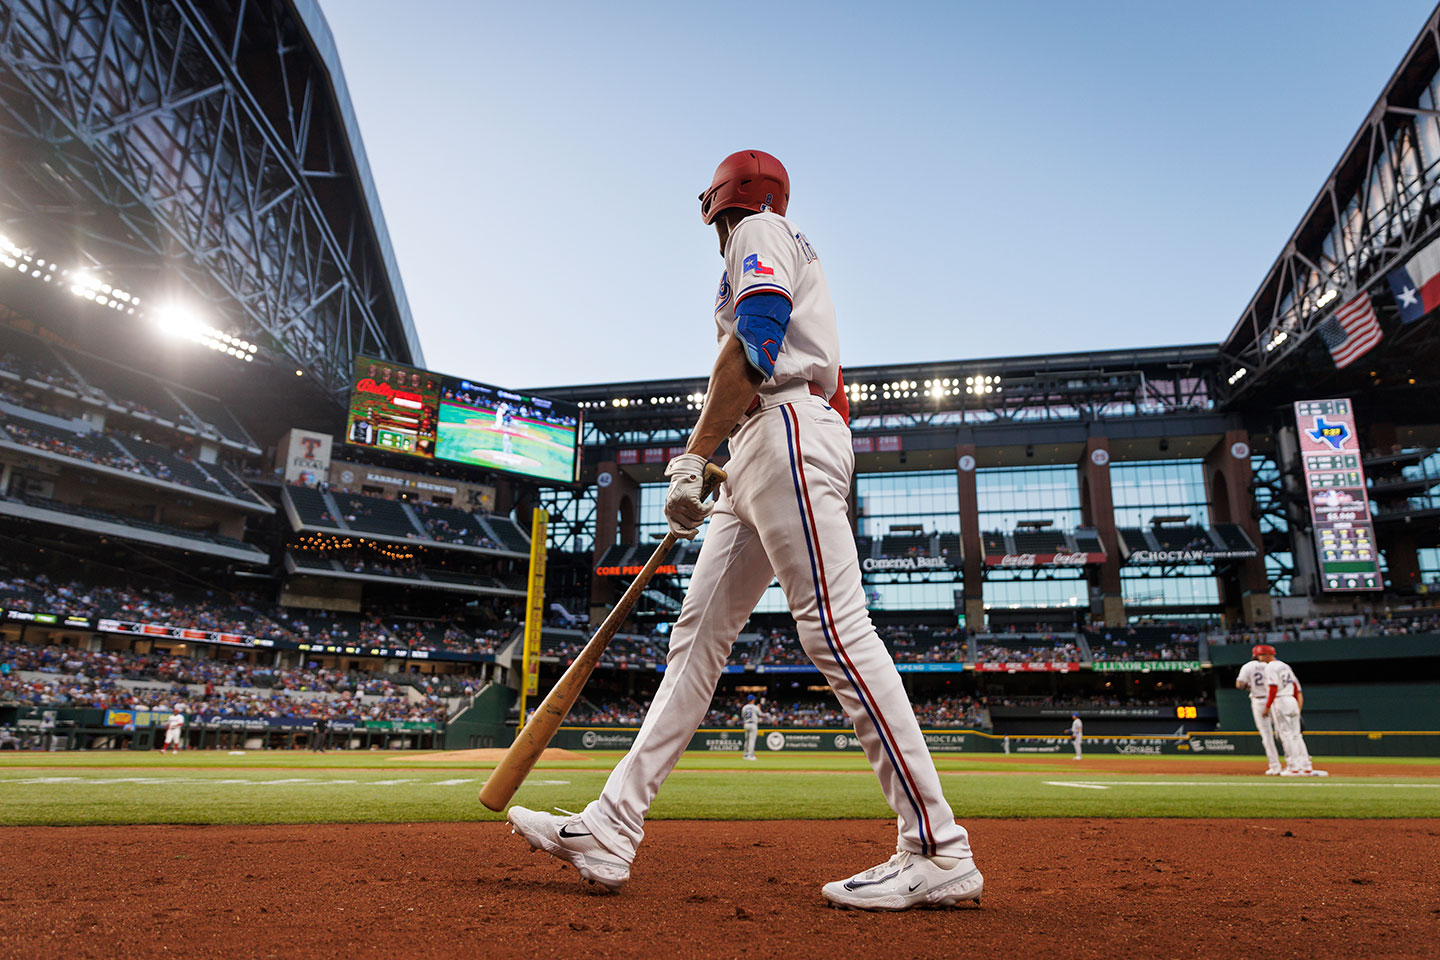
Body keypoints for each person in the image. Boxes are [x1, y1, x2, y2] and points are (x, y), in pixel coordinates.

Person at [508, 150, 982, 911]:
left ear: (719, 199)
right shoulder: (783, 244)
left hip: (784, 426)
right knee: (693, 642)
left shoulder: (756, 228)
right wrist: (726, 461)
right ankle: (612, 826)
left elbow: (758, 336)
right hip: (767, 441)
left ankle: (936, 847)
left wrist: (698, 453)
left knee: (833, 627)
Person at [1260, 652, 1328, 777]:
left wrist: (1267, 706)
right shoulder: (1286, 666)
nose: (1260, 658)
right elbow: (1296, 687)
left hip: (1280, 700)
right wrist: (1296, 705)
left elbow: (1273, 687)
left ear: (1267, 655)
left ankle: (1293, 767)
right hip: (1292, 699)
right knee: (1297, 735)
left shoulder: (1270, 667)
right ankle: (1306, 767)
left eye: (1260, 656)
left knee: (1286, 735)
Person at [1236, 644, 1283, 774]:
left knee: (1266, 735)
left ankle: (1275, 766)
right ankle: (1294, 761)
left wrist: (1248, 685)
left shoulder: (1247, 666)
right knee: (1283, 732)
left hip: (1258, 700)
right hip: (1276, 699)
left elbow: (1239, 684)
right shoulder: (1273, 664)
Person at [739, 694, 764, 761]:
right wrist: (759, 708)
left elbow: (742, 716)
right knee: (752, 740)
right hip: (753, 724)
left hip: (746, 724)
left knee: (747, 740)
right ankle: (751, 756)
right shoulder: (755, 707)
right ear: (753, 700)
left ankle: (745, 755)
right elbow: (761, 714)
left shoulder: (744, 707)